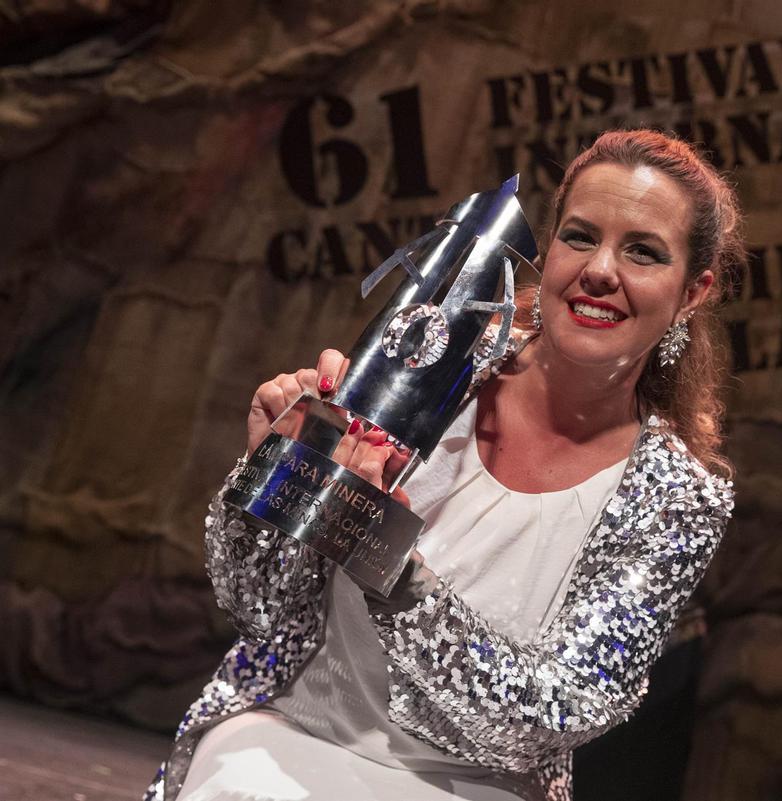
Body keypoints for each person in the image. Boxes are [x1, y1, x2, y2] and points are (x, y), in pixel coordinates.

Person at [145, 129, 746, 801]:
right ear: (546, 253)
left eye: (642, 251)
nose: (601, 268)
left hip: (472, 785)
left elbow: (556, 713)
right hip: (292, 731)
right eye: (580, 237)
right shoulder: (433, 357)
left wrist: (386, 559)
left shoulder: (675, 496)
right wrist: (273, 478)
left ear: (693, 291)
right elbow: (258, 602)